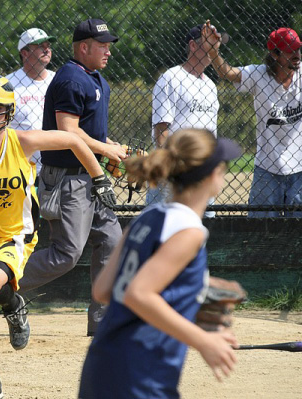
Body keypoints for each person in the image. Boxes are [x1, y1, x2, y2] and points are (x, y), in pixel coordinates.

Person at [0, 73, 111, 399]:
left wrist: (99, 177)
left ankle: (15, 305)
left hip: (15, 234)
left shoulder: (20, 141)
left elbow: (74, 140)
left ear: (8, 112)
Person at [79, 128, 241, 399]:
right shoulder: (189, 231)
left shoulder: (149, 216)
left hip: (102, 364)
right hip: (141, 374)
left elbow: (104, 290)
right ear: (213, 176)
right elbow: (139, 293)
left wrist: (192, 292)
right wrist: (204, 341)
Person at [18, 18, 127, 336]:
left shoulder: (96, 79)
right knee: (66, 254)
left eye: (108, 45)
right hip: (68, 179)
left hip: (89, 176)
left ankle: (102, 321)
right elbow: (68, 132)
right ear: (83, 47)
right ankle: (0, 283)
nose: (108, 51)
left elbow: (89, 133)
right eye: (102, 45)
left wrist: (111, 148)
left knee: (111, 242)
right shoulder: (70, 80)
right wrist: (103, 157)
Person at [203, 23, 302, 217]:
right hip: (267, 167)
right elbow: (227, 73)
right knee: (259, 229)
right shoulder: (259, 75)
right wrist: (213, 52)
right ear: (275, 55)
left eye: (298, 49)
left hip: (300, 167)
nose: (297, 55)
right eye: (290, 51)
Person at [148, 24, 226, 218]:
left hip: (204, 171)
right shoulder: (171, 78)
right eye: (210, 44)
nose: (214, 50)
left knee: (206, 230)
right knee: (163, 227)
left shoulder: (209, 85)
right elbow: (161, 129)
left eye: (217, 46)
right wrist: (169, 168)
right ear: (193, 45)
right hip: (177, 171)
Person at [6, 28, 56, 176]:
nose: (46, 50)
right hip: (20, 167)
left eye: (48, 46)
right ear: (24, 53)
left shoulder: (58, 80)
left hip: (55, 166)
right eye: (40, 46)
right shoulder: (8, 84)